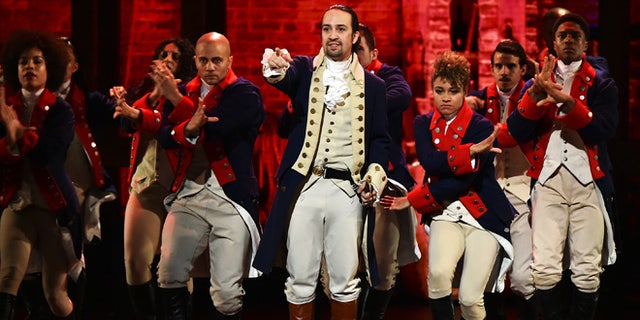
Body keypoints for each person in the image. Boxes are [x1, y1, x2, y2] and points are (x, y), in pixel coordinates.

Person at [254, 4, 390, 319]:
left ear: (355, 35)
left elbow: (380, 140)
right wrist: (275, 67)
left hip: (348, 190)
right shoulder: (304, 69)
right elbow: (282, 77)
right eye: (326, 28)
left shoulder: (375, 88)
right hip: (306, 185)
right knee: (299, 277)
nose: (332, 35)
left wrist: (374, 179)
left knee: (344, 280)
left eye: (340, 29)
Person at [380, 51, 516, 320]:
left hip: (483, 214)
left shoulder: (480, 126)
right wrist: (470, 152)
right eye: (439, 90)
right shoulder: (423, 124)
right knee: (439, 276)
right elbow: (431, 163)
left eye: (453, 91)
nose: (445, 97)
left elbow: (466, 179)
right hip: (445, 212)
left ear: (464, 90)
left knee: (469, 298)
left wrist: (415, 197)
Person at [506, 13, 618, 319]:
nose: (569, 39)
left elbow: (604, 129)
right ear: (553, 43)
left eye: (575, 35)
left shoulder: (602, 83)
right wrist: (533, 95)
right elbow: (514, 131)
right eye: (563, 35)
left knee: (586, 269)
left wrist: (568, 104)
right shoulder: (537, 80)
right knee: (543, 269)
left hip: (588, 182)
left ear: (585, 44)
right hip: (547, 182)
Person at [153, 32, 263, 319]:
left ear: (229, 60)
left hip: (230, 199)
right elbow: (164, 135)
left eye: (217, 60)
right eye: (204, 60)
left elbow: (217, 129)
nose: (210, 67)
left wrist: (178, 106)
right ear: (196, 61)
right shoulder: (183, 90)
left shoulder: (245, 93)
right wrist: (186, 124)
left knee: (226, 295)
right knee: (169, 272)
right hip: (190, 193)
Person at [110, 37, 197, 320]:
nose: (167, 59)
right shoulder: (147, 93)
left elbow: (173, 127)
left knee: (177, 268)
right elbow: (125, 122)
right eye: (163, 54)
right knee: (135, 262)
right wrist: (149, 97)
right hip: (146, 184)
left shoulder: (190, 93)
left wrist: (142, 110)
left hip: (181, 188)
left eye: (174, 55)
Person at [0, 29, 76, 319]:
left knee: (55, 295)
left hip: (53, 209)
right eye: (23, 62)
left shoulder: (61, 111)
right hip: (18, 205)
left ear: (50, 68)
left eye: (37, 61)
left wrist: (18, 134)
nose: (29, 66)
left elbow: (49, 155)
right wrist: (10, 134)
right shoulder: (5, 108)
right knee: (8, 278)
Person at [467, 39, 537, 319]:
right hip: (491, 196)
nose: (504, 72)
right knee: (489, 277)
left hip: (523, 195)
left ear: (522, 69)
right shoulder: (480, 98)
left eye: (510, 66)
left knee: (523, 278)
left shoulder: (533, 98)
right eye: (499, 66)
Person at [354, 23, 419, 320]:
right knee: (345, 267)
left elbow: (402, 95)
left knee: (381, 264)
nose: (353, 56)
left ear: (373, 53)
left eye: (359, 50)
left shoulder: (388, 76)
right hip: (347, 180)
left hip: (385, 180)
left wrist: (358, 102)